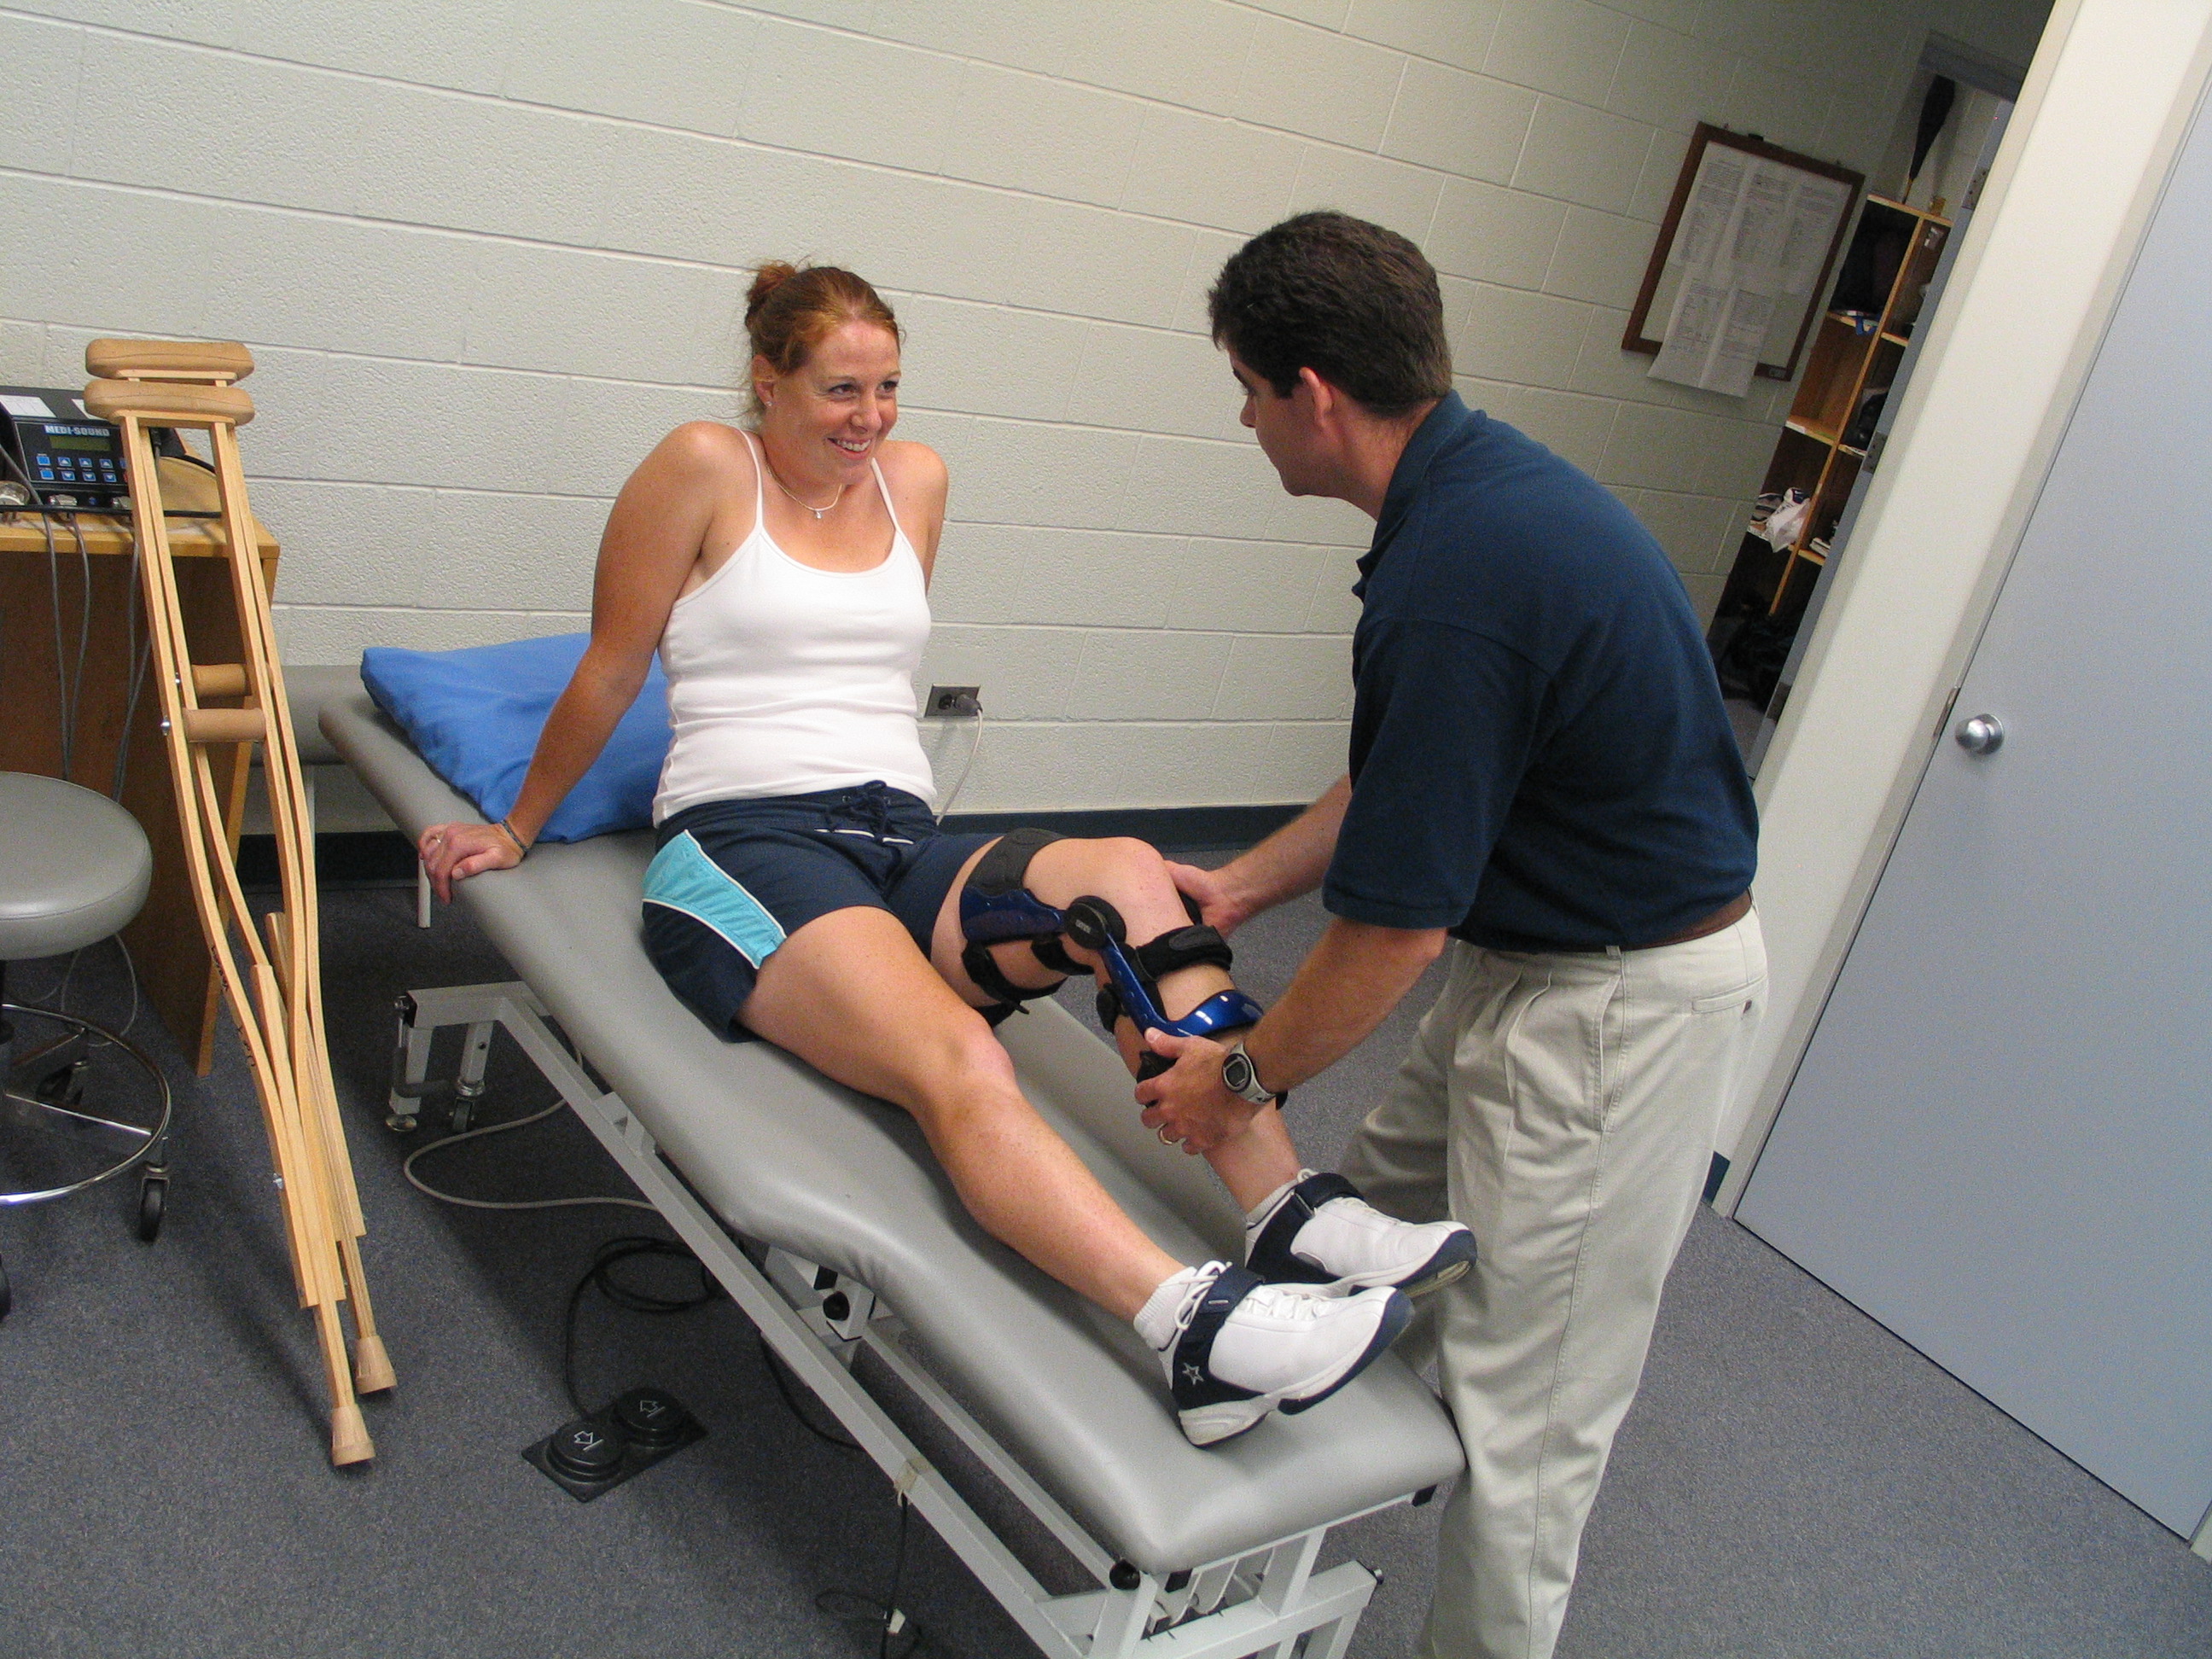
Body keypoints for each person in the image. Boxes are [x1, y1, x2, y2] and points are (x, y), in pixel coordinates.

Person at [416, 259, 1475, 1447]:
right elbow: (615, 665)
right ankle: (1194, 1332)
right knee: (960, 1059)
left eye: (888, 388)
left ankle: (1285, 1205)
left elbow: (871, 671)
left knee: (1127, 875)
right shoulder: (704, 468)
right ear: (766, 382)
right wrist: (515, 827)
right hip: (742, 845)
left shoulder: (914, 480)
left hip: (896, 835)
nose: (870, 418)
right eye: (837, 391)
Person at [1134, 212, 1766, 1653]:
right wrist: (1239, 893)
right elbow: (1410, 778)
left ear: (1313, 394)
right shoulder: (1472, 500)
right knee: (1333, 1241)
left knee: (1526, 1429)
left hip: (1615, 1017)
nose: (1242, 418)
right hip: (1531, 961)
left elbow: (1391, 938)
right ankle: (1256, 1548)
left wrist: (1239, 1077)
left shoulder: (1459, 575)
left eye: (1243, 386)